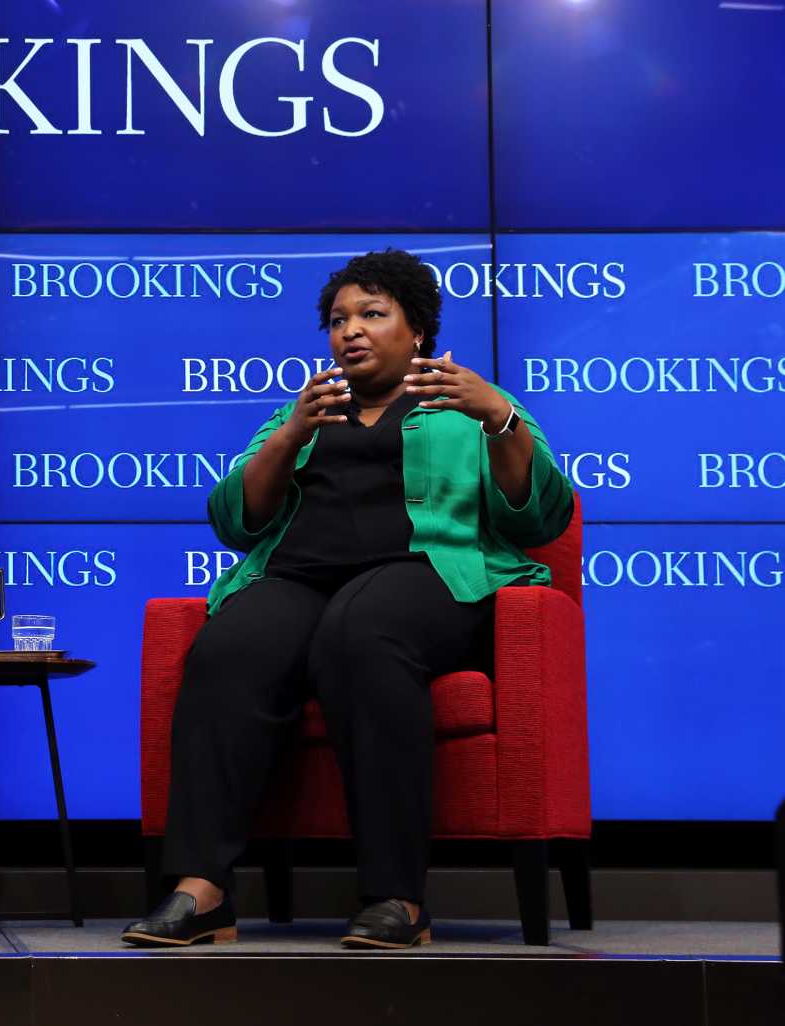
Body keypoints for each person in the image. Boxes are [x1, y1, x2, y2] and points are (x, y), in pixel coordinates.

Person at [122, 249, 573, 950]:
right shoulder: (304, 410)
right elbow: (234, 520)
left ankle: (397, 897)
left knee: (361, 630)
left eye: (371, 314)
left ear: (417, 328)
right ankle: (201, 890)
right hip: (301, 577)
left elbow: (538, 517)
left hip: (429, 577)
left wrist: (499, 418)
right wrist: (294, 432)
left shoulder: (469, 406)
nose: (350, 331)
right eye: (338, 320)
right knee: (229, 646)